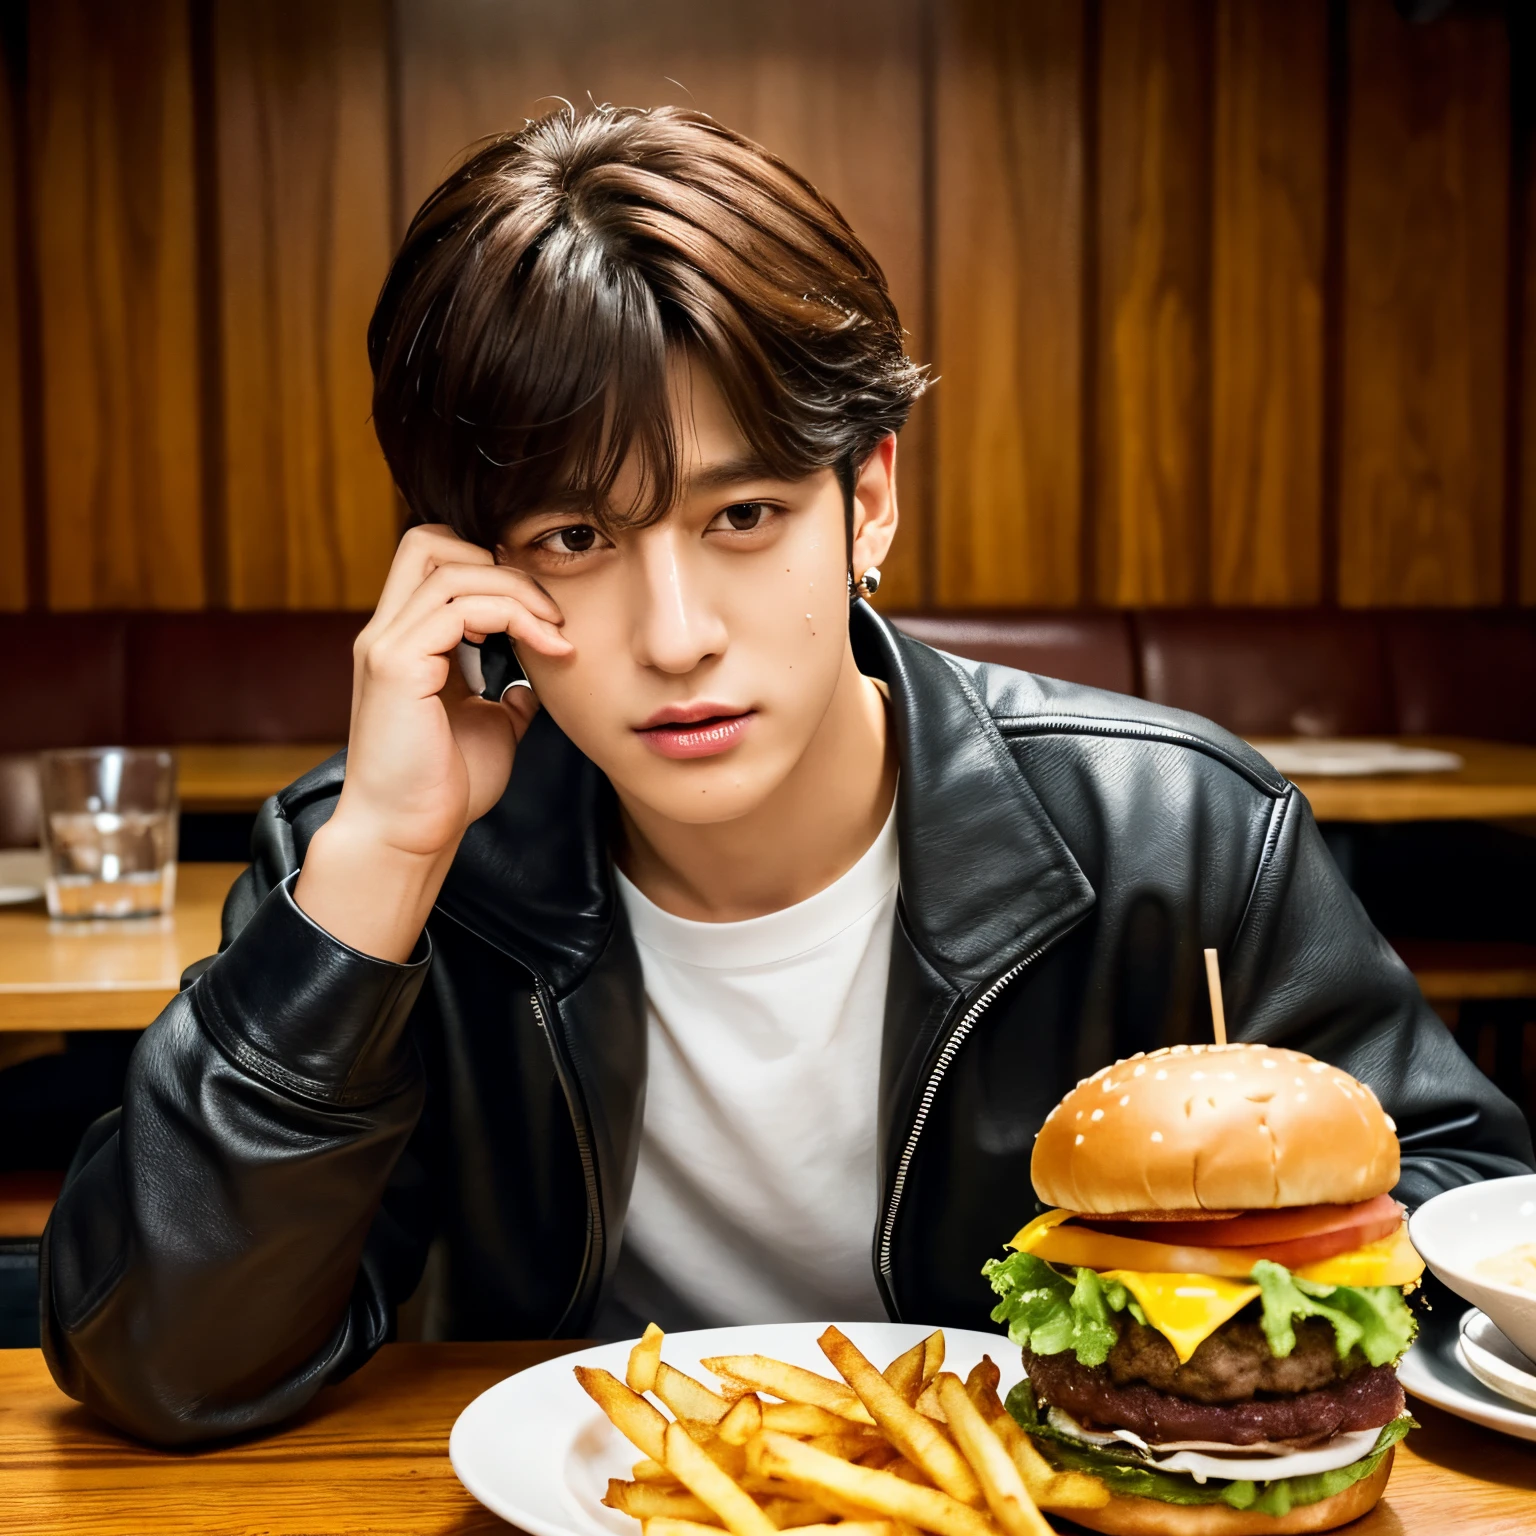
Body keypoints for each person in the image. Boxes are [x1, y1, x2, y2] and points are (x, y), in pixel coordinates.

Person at [40, 105, 1532, 1446]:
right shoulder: (380, 866)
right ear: (471, 576)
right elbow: (157, 1363)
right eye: (573, 541)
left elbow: (1468, 1230)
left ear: (867, 497)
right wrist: (378, 868)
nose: (675, 638)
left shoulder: (1176, 831)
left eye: (743, 515)